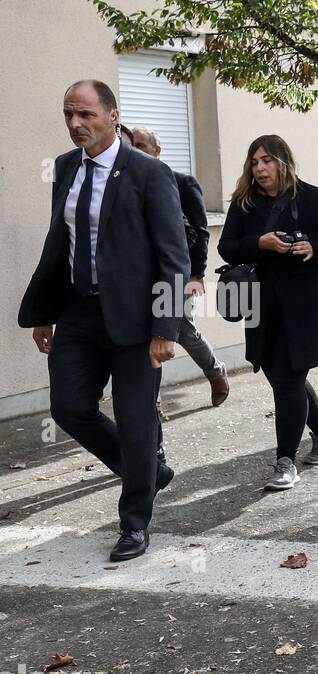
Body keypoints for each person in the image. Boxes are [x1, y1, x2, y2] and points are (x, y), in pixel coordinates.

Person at [18, 80, 189, 561]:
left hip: (137, 323)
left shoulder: (149, 172)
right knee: (69, 408)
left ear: (114, 117)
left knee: (137, 425)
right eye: (69, 115)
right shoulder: (66, 168)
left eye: (85, 115)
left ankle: (134, 522)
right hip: (78, 313)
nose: (76, 124)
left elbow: (173, 256)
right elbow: (60, 246)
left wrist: (165, 326)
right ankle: (147, 472)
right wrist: (44, 313)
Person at [216, 135, 318, 491]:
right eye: (255, 162)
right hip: (262, 308)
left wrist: (313, 248)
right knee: (280, 378)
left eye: (267, 161)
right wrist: (258, 243)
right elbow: (226, 247)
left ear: (283, 162)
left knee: (289, 381)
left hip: (305, 308)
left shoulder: (315, 199)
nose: (260, 168)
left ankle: (285, 461)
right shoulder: (244, 204)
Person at [127, 125, 230, 408]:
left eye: (140, 146)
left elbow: (200, 230)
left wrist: (197, 274)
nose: (133, 151)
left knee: (182, 330)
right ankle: (152, 403)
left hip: (176, 273)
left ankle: (215, 371)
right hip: (139, 277)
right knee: (143, 334)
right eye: (130, 145)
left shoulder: (182, 183)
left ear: (156, 151)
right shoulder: (125, 183)